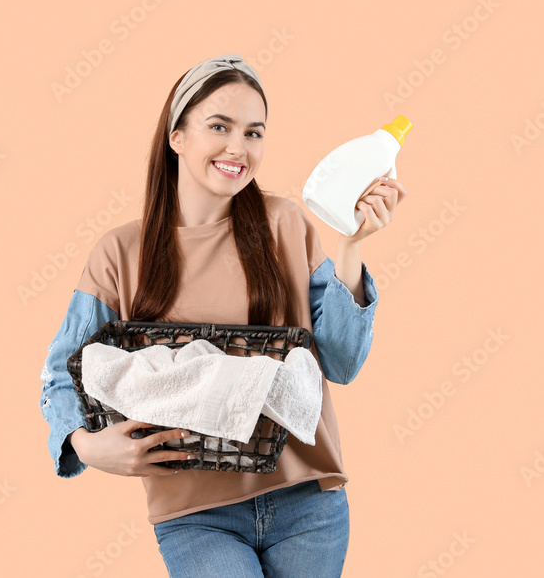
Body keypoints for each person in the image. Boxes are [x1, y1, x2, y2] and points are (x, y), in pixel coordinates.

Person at [38, 53, 407, 577]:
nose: (238, 147)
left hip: (308, 505)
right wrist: (85, 445)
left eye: (254, 132)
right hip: (195, 514)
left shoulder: (285, 225)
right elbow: (61, 371)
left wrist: (351, 247)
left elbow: (342, 364)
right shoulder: (120, 252)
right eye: (219, 126)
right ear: (177, 136)